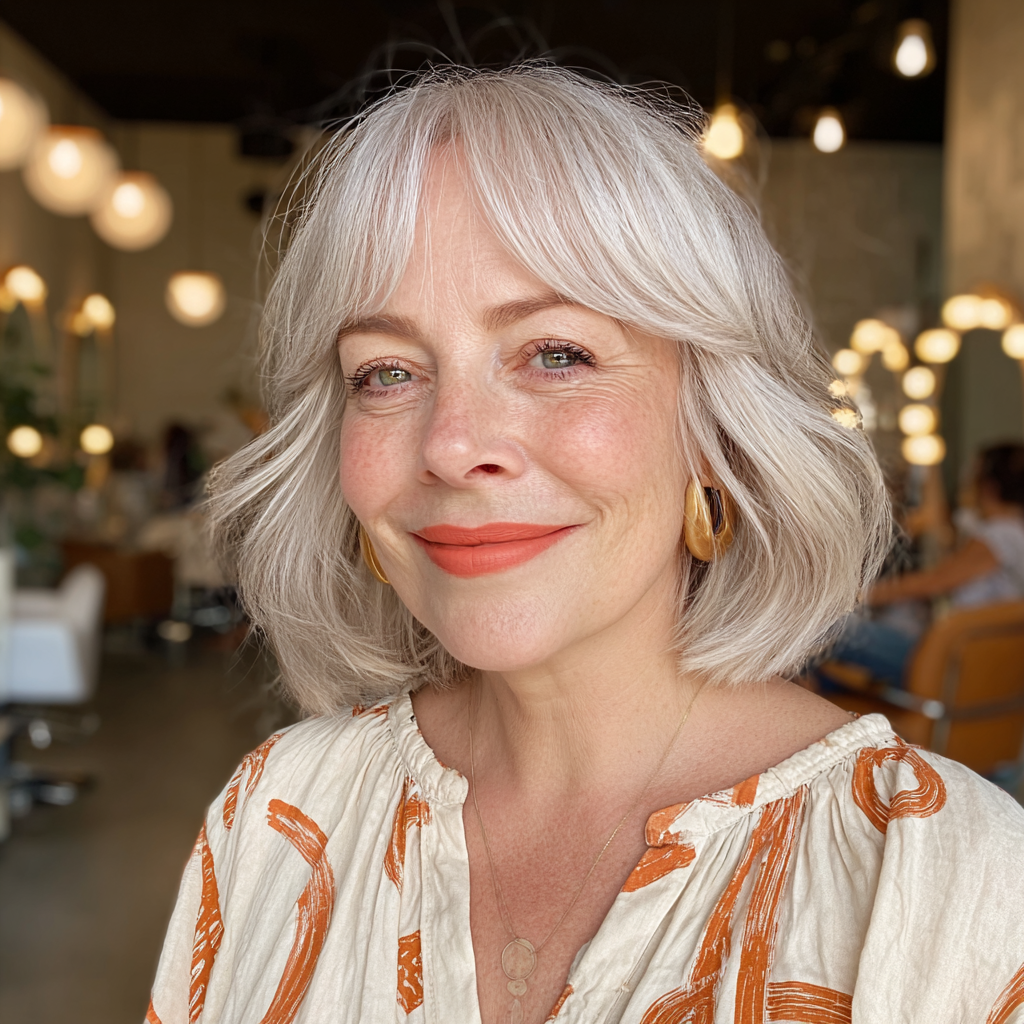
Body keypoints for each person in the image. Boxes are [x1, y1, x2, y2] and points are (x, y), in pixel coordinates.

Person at [145, 67, 1024, 1024]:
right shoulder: (277, 813)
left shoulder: (950, 881)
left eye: (555, 354)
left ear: (713, 427)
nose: (450, 445)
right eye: (388, 372)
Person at [828, 443, 1024, 687]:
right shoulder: (1008, 529)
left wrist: (850, 597)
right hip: (972, 658)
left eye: (973, 472)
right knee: (825, 666)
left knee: (829, 630)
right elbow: (939, 521)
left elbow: (931, 583)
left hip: (953, 661)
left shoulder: (1001, 535)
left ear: (988, 484)